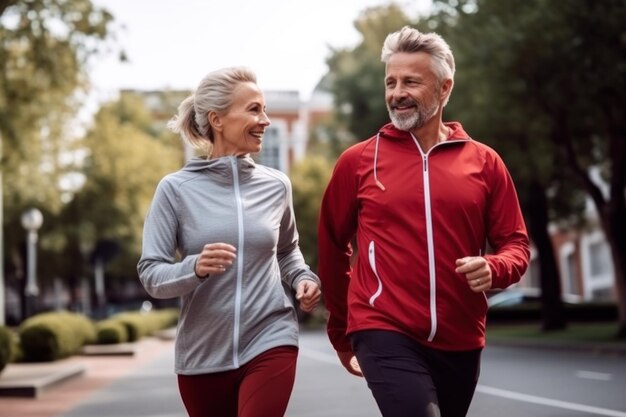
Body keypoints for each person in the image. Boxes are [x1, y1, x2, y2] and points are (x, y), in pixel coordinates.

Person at [317, 26, 530, 417]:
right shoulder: (359, 161)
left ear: (444, 88)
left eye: (411, 82)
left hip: (461, 337)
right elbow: (332, 245)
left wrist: (494, 267)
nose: (397, 92)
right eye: (391, 82)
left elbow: (516, 244)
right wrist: (343, 329)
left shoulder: (484, 163)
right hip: (383, 328)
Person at [137, 67, 321, 417]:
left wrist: (303, 279)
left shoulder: (276, 185)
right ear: (216, 120)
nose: (265, 120)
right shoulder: (175, 190)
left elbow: (286, 251)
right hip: (203, 356)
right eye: (254, 109)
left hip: (271, 337)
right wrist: (194, 267)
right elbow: (151, 273)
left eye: (265, 110)